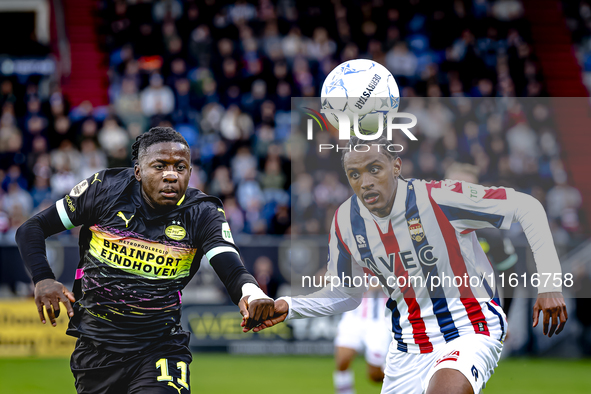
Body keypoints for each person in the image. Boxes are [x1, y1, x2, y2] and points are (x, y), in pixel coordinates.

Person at [249, 135, 568, 394]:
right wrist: (289, 306)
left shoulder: (441, 197)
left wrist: (550, 282)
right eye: (355, 174)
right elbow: (346, 293)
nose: (366, 181)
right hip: (406, 348)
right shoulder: (346, 222)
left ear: (396, 166)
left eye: (375, 169)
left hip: (468, 326)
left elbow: (527, 207)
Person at [16, 127, 274, 394]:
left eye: (181, 167)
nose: (171, 175)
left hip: (159, 346)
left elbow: (230, 265)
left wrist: (252, 293)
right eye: (160, 166)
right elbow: (31, 229)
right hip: (96, 348)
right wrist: (43, 278)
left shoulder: (202, 212)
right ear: (138, 171)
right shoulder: (104, 190)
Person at [333, 285, 391, 394]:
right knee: (342, 360)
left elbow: (394, 281)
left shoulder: (389, 267)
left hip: (378, 321)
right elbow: (323, 277)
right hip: (353, 317)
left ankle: (408, 380)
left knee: (375, 376)